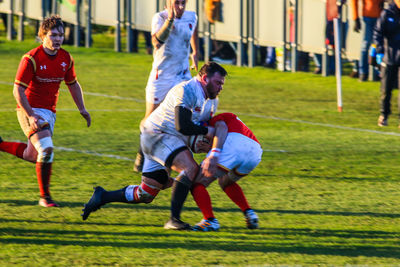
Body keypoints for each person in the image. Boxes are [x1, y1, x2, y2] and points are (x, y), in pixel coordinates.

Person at [81, 62, 227, 230]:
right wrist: (207, 132)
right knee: (190, 169)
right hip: (157, 136)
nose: (220, 87)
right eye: (218, 83)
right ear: (204, 78)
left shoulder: (211, 101)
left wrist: (200, 143)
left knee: (146, 194)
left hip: (168, 140)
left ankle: (103, 196)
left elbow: (193, 128)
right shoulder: (187, 89)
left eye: (222, 84)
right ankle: (174, 220)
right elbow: (182, 126)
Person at [0, 15, 91, 207]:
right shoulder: (31, 58)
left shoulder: (66, 58)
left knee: (33, 155)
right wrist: (31, 114)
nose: (58, 39)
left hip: (49, 112)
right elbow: (17, 90)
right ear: (43, 35)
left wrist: (82, 109)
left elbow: (73, 84)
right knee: (47, 149)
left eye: (60, 35)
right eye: (53, 35)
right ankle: (45, 198)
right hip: (29, 109)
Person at [134, 0, 199, 172]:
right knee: (150, 119)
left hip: (182, 74)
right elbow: (157, 42)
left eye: (183, 3)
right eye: (177, 3)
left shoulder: (191, 16)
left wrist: (195, 51)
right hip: (162, 76)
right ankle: (142, 152)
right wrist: (170, 21)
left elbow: (194, 30)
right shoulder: (160, 18)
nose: (180, 7)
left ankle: (172, 157)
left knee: (181, 116)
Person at [189, 112, 262, 231]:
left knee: (196, 182)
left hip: (232, 146)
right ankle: (249, 213)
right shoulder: (231, 118)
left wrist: (212, 151)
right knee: (225, 182)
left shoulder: (216, 120)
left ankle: (209, 220)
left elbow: (220, 130)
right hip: (255, 153)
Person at [374, 0, 400, 127]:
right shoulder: (387, 13)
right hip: (389, 58)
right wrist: (378, 51)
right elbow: (378, 33)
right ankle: (384, 115)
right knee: (386, 89)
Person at [350, 0, 384, 81]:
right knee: (366, 44)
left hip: (379, 16)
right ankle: (363, 72)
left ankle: (377, 71)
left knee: (377, 45)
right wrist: (355, 18)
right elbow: (354, 2)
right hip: (368, 17)